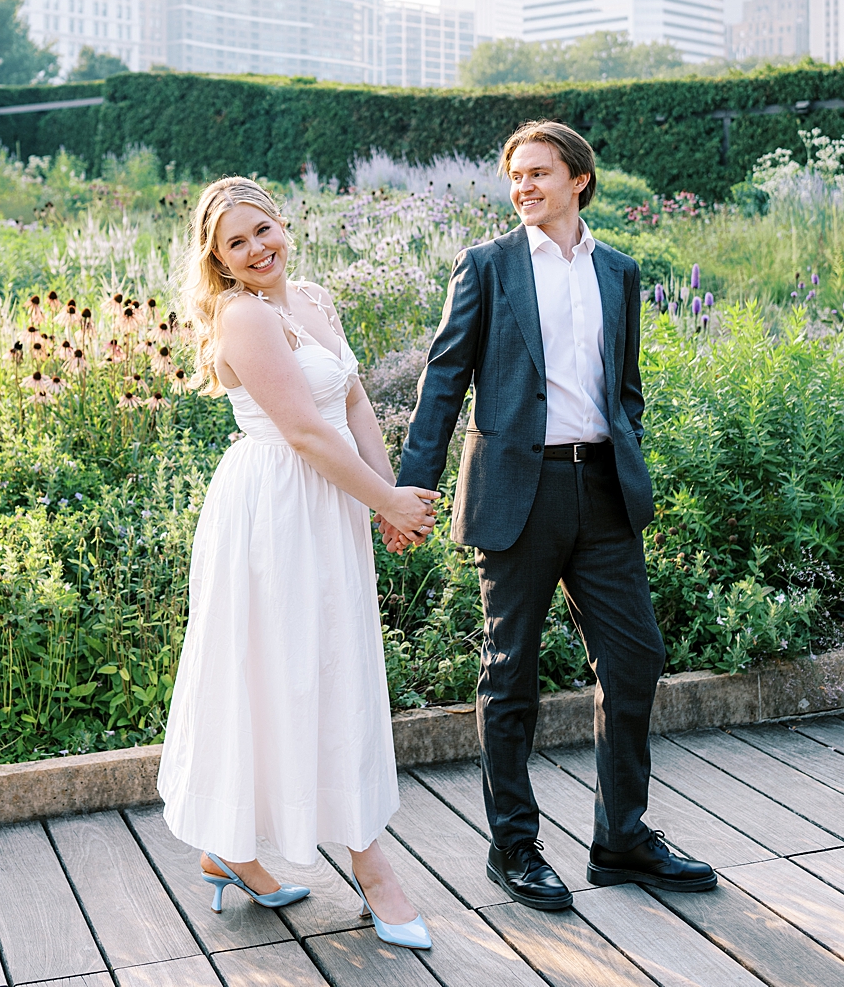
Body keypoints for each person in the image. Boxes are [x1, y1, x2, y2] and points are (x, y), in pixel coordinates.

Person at [388, 121, 715, 911]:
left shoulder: (620, 271)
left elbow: (624, 384)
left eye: (539, 173)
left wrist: (623, 447)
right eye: (515, 176)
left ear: (579, 180)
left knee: (635, 660)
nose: (524, 187)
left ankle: (623, 839)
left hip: (601, 491)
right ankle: (514, 846)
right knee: (510, 675)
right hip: (515, 495)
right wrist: (414, 490)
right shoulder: (488, 268)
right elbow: (442, 383)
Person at [157, 177, 440, 953]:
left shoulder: (312, 298)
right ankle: (374, 871)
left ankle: (234, 855)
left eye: (263, 230)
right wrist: (385, 501)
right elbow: (309, 436)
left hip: (329, 505)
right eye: (235, 244)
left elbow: (351, 406)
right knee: (289, 673)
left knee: (329, 667)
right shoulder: (242, 318)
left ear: (286, 225)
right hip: (277, 510)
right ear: (216, 260)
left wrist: (388, 495)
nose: (256, 250)